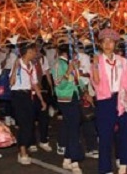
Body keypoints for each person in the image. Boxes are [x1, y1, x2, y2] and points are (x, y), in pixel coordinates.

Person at [92, 28, 127, 174]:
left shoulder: (122, 61)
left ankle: (124, 165)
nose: (107, 44)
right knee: (105, 136)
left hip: (121, 99)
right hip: (105, 101)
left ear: (115, 44)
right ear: (100, 44)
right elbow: (96, 83)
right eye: (104, 41)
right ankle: (105, 169)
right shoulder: (97, 61)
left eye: (110, 41)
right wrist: (96, 65)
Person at [9, 42, 47, 165]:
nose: (35, 53)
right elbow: (11, 82)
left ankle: (23, 147)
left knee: (30, 124)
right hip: (18, 96)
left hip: (28, 96)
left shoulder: (31, 65)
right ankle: (22, 151)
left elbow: (34, 84)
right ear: (28, 52)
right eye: (33, 51)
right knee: (23, 124)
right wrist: (15, 68)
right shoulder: (18, 63)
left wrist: (41, 99)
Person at [52, 43, 85, 174]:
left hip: (74, 97)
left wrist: (84, 90)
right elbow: (58, 84)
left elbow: (76, 80)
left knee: (71, 128)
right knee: (73, 130)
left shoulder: (70, 64)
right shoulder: (58, 64)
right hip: (66, 99)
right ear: (67, 53)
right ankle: (74, 160)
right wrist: (68, 71)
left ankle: (67, 158)